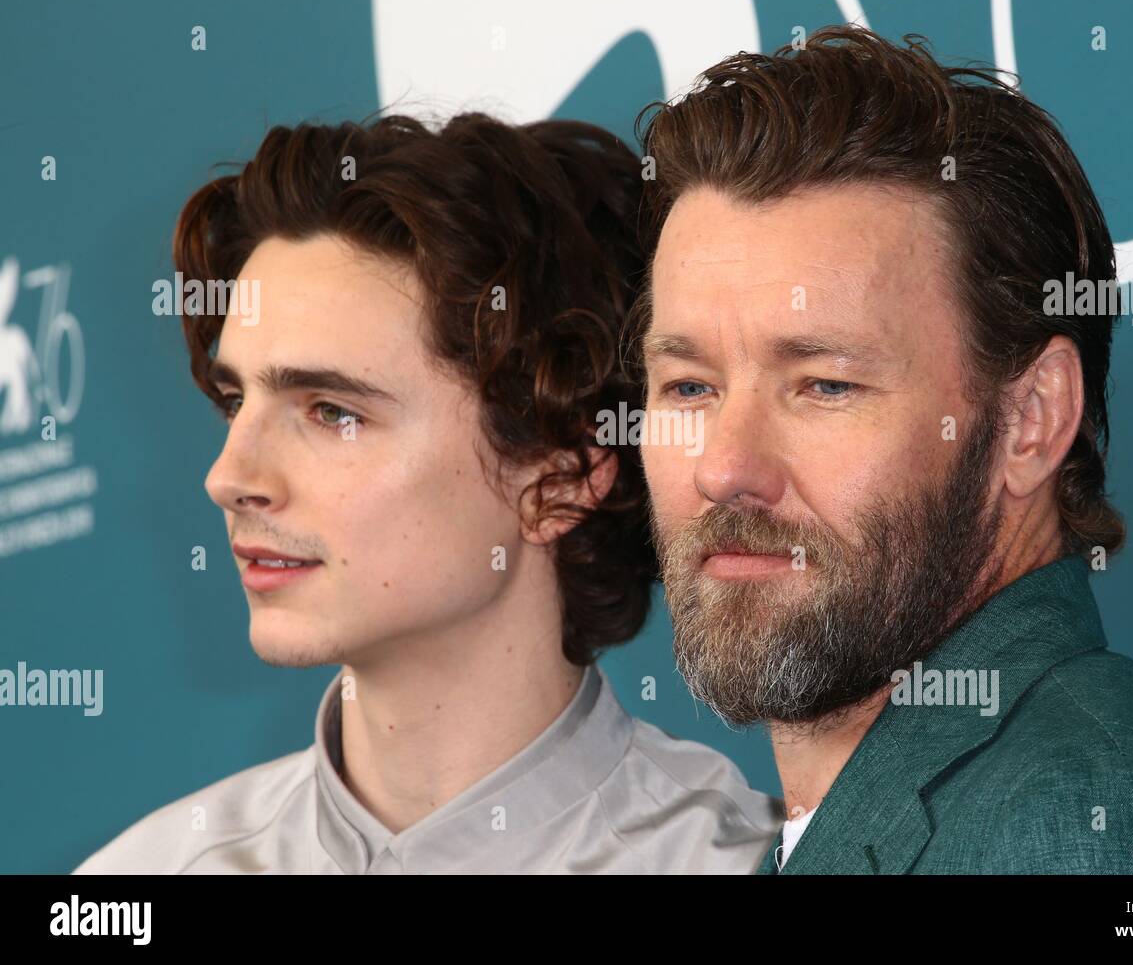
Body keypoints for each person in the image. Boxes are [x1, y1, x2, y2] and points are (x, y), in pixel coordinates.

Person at [632, 25, 1133, 873]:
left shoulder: (1095, 826)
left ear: (1030, 420)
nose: (724, 468)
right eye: (690, 388)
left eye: (825, 385)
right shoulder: (889, 814)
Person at [75, 112, 782, 874]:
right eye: (234, 402)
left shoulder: (748, 865)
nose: (229, 477)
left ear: (562, 478)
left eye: (333, 412)